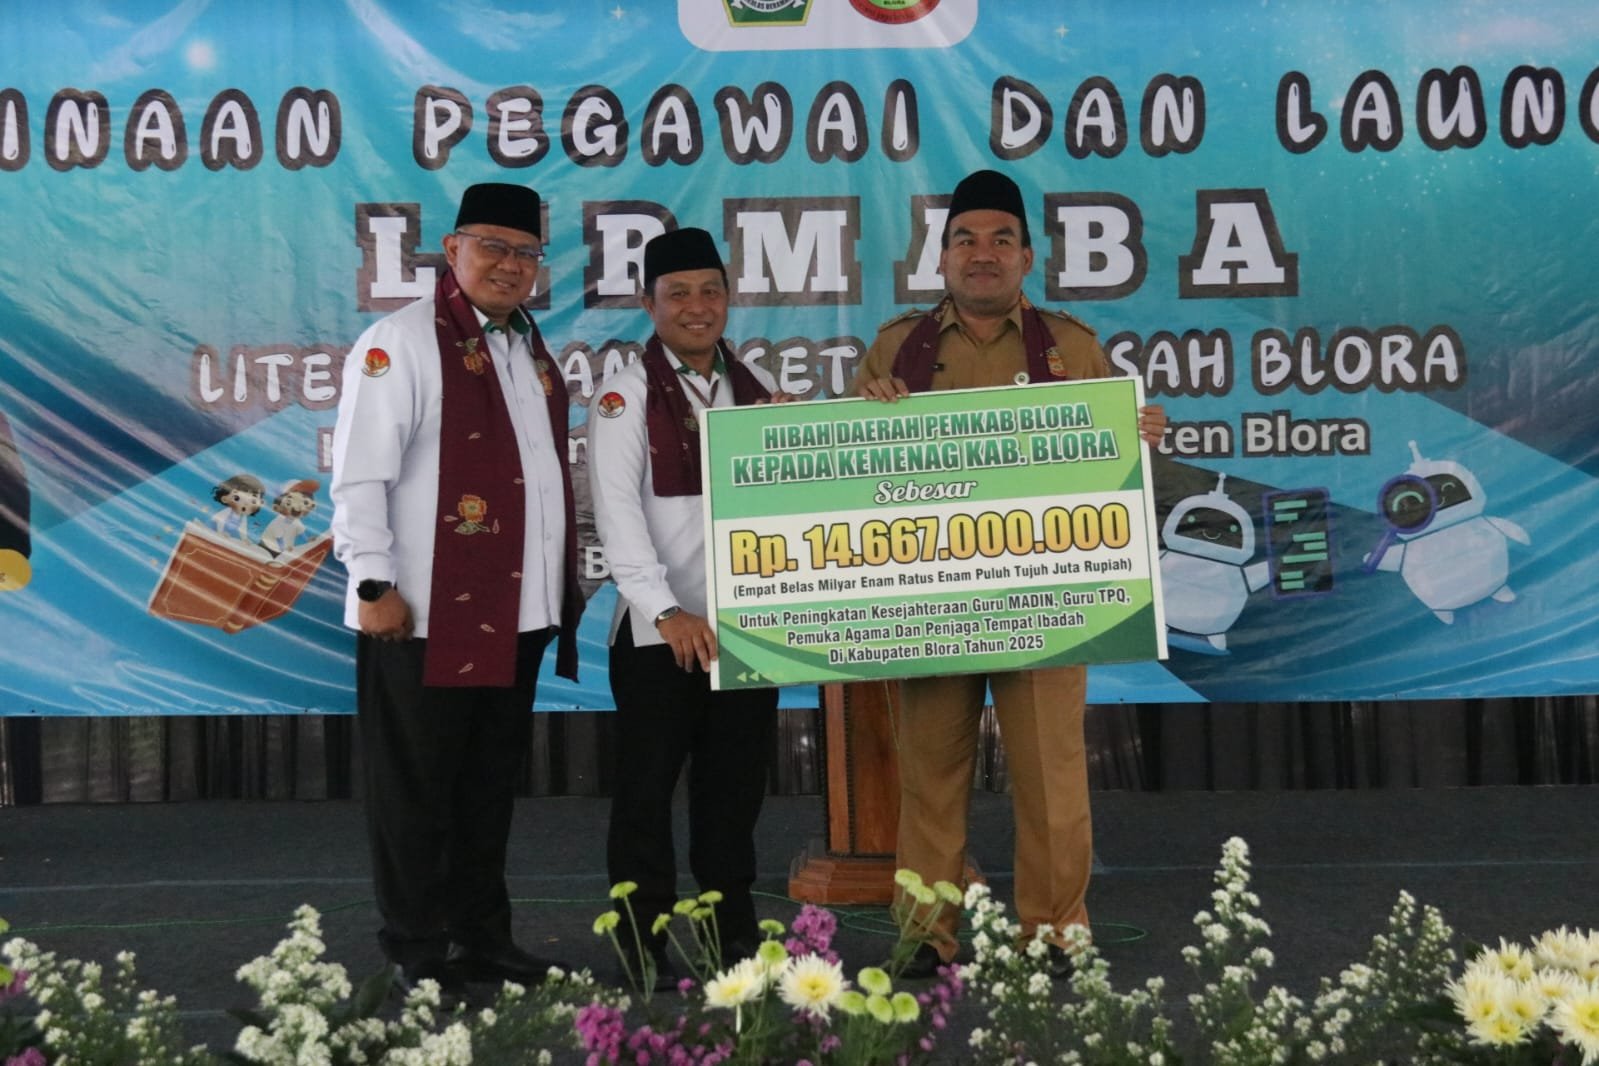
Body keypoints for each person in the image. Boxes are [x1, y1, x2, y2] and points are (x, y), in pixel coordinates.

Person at [852, 169, 1168, 979]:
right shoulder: (895, 349)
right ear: (941, 258)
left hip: (1044, 600)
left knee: (1050, 779)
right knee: (928, 779)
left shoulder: (1072, 347)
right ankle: (924, 936)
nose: (982, 254)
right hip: (931, 600)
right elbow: (849, 478)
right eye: (965, 240)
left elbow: (1111, 474)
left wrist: (1134, 437)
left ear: (1028, 258)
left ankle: (1054, 934)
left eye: (1000, 240)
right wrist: (863, 413)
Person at [329, 182, 582, 995]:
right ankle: (417, 948)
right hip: (422, 615)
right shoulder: (401, 341)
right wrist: (372, 579)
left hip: (516, 612)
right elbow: (359, 472)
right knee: (415, 793)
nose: (509, 265)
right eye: (492, 247)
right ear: (452, 249)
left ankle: (482, 938)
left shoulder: (526, 347)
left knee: (484, 791)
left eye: (526, 252)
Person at [588, 227, 788, 989]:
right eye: (678, 294)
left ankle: (729, 940)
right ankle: (639, 948)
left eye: (710, 291)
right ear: (649, 305)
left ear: (728, 299)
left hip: (745, 632)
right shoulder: (624, 393)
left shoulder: (755, 384)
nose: (696, 306)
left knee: (731, 800)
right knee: (644, 799)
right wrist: (666, 611)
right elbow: (615, 515)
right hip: (658, 634)